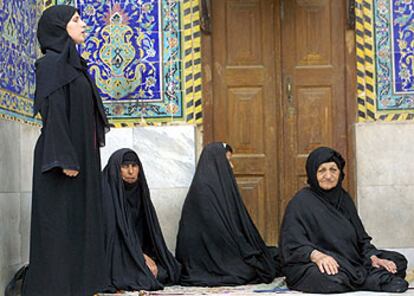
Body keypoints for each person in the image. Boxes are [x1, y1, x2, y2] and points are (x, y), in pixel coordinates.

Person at [23, 5, 110, 296]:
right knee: (59, 229)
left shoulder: (76, 66)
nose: (83, 24)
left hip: (79, 158)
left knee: (79, 225)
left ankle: (78, 287)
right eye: (76, 20)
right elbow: (54, 112)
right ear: (60, 27)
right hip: (61, 162)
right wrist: (64, 158)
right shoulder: (50, 66)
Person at [279, 147, 409, 293]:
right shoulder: (301, 202)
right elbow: (292, 244)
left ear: (340, 173)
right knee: (331, 279)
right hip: (313, 263)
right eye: (322, 170)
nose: (328, 176)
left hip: (349, 260)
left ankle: (364, 278)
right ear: (312, 173)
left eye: (333, 170)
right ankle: (371, 280)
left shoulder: (344, 199)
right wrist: (317, 256)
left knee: (398, 261)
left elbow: (362, 239)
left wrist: (374, 258)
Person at [176, 142, 281, 286]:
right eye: (228, 161)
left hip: (222, 252)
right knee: (250, 270)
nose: (231, 167)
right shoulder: (204, 191)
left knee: (272, 257)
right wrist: (242, 248)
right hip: (207, 259)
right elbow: (219, 233)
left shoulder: (219, 187)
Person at [101, 148, 181, 292]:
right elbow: (113, 239)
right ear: (116, 169)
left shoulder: (140, 191)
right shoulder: (105, 194)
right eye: (125, 167)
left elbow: (149, 234)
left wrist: (145, 256)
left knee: (170, 271)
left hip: (139, 253)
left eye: (134, 166)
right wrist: (140, 257)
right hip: (116, 257)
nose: (131, 172)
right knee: (141, 278)